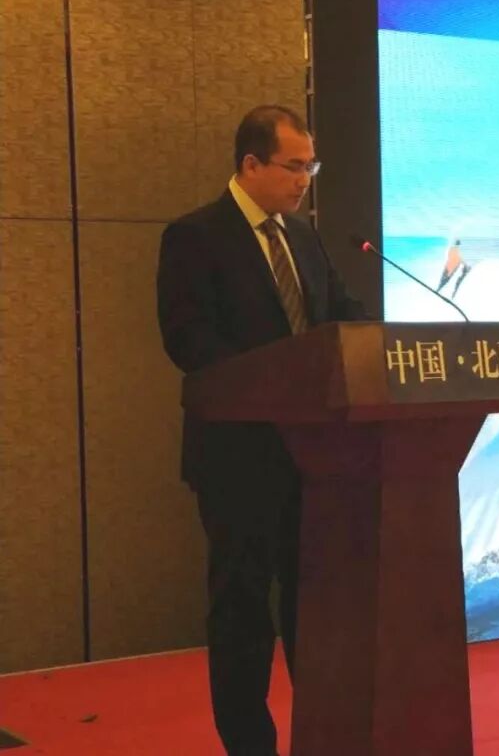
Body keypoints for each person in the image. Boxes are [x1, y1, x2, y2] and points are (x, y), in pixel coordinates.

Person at [156, 104, 367, 756]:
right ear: (250, 164)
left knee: (314, 606)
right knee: (243, 609)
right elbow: (187, 339)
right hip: (239, 458)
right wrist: (272, 381)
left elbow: (339, 315)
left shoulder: (303, 237)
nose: (304, 180)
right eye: (293, 166)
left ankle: (324, 734)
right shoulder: (195, 236)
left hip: (315, 458)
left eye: (311, 167)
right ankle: (249, 745)